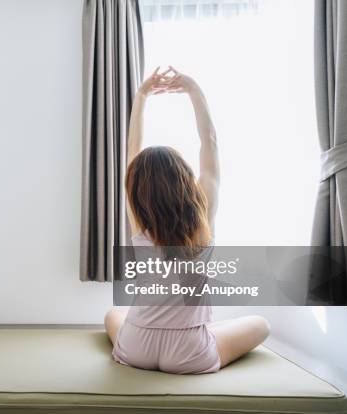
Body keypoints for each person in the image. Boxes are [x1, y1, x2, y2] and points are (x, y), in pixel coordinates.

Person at [104, 67, 270, 374]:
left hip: (136, 347)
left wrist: (141, 97)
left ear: (136, 190)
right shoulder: (202, 222)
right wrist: (194, 91)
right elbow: (210, 143)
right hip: (189, 352)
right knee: (260, 324)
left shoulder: (139, 224)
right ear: (185, 181)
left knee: (112, 315)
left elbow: (131, 154)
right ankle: (199, 329)